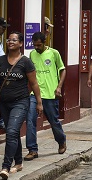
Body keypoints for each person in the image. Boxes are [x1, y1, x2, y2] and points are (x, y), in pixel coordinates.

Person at [0, 31, 43, 180]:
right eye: (9, 39)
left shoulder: (26, 62)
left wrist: (39, 102)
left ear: (20, 43)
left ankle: (6, 166)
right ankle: (18, 163)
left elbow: (33, 83)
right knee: (12, 132)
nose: (10, 42)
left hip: (21, 102)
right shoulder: (1, 60)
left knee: (12, 131)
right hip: (4, 103)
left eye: (14, 40)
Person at [24, 32, 67, 161]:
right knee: (30, 120)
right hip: (35, 93)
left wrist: (59, 87)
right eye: (34, 45)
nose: (36, 47)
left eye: (39, 45)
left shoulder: (54, 53)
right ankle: (32, 149)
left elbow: (62, 69)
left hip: (50, 94)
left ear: (45, 42)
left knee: (53, 121)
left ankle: (61, 140)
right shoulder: (31, 54)